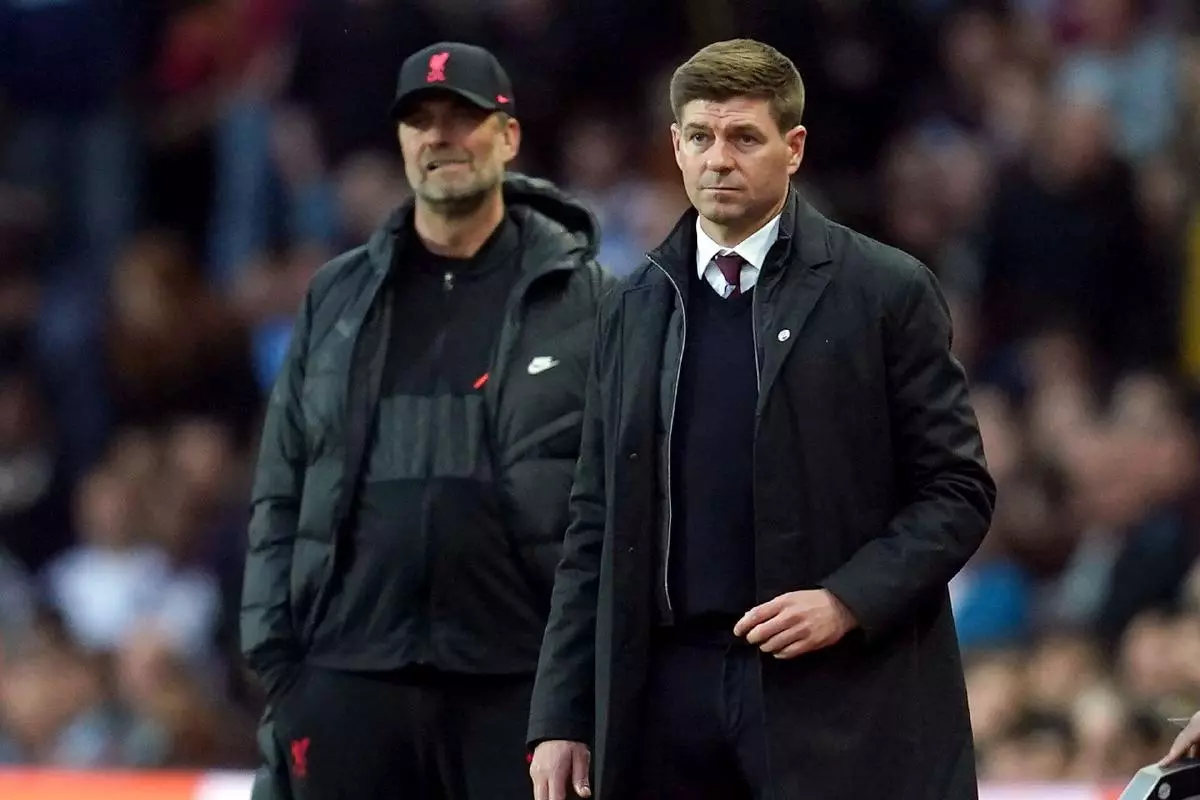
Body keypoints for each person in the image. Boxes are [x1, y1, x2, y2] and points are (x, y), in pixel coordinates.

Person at [527, 38, 996, 800]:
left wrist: (847, 598)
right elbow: (594, 524)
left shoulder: (885, 291)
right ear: (674, 148)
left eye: (745, 137)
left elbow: (958, 492)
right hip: (667, 693)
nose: (720, 159)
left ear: (793, 148)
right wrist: (561, 712)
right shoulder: (631, 307)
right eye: (701, 138)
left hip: (834, 693)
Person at [241, 41, 614, 800]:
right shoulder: (335, 298)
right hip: (348, 676)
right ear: (402, 143)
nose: (440, 137)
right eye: (421, 121)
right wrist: (282, 667)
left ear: (509, 138)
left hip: (518, 684)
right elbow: (281, 486)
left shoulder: (592, 304)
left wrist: (588, 680)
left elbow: (624, 502)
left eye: (463, 118)